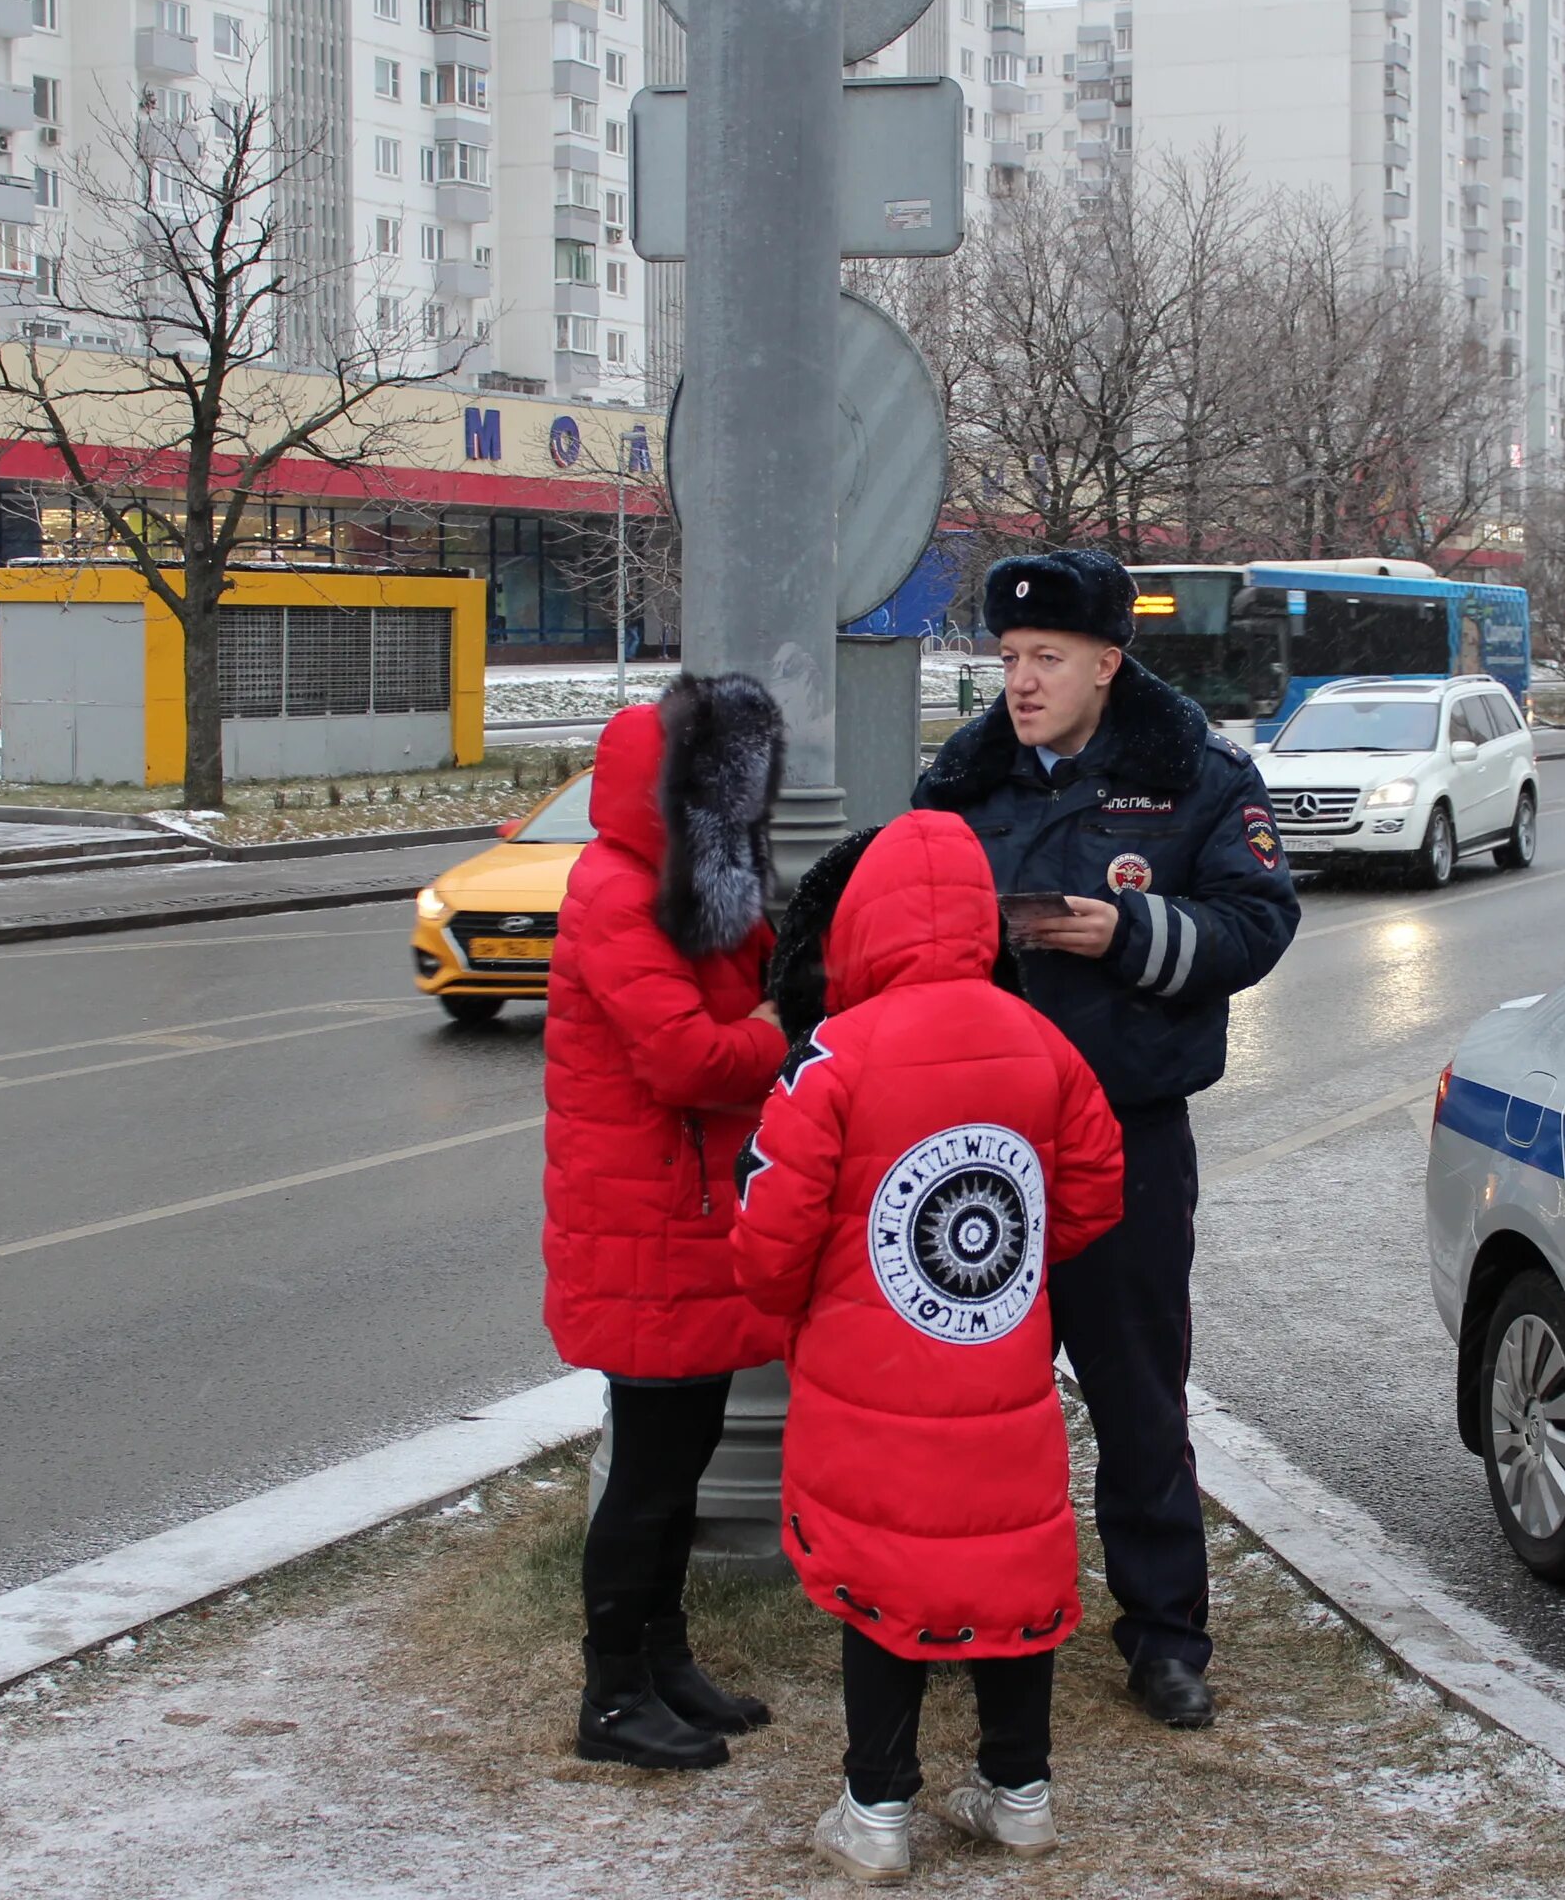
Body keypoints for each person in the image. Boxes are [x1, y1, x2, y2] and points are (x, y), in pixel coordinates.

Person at [912, 549, 1301, 1731]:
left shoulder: (1195, 776)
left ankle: (1167, 1635)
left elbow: (1257, 921)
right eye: (1010, 658)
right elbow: (890, 918)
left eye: (1048, 660)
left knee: (1138, 1395)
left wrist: (1123, 930)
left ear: (1105, 663)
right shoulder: (962, 781)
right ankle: (969, 1605)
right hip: (983, 1144)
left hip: (1126, 1134)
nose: (1021, 682)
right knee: (980, 1397)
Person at [731, 813, 1128, 1883]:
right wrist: (1017, 1268)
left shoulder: (837, 1054)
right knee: (1010, 1560)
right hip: (1000, 1363)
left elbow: (771, 1230)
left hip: (875, 1371)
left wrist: (805, 1307)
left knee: (884, 1579)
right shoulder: (1042, 1038)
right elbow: (1093, 1188)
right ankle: (1020, 1792)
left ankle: (878, 1809)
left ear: (864, 920)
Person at [541, 671, 793, 1772]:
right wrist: (785, 1021)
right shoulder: (615, 890)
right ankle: (610, 1695)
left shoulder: (678, 882)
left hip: (682, 1213)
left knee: (678, 1462)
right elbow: (691, 1055)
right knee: (648, 1473)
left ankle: (664, 1659)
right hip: (644, 1221)